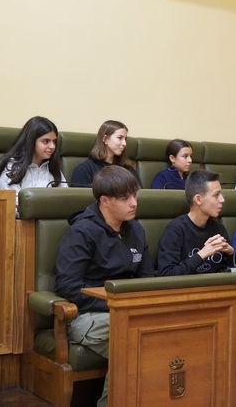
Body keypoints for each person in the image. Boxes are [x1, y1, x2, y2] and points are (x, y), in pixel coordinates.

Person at [54, 165, 154, 407]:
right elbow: (68, 286)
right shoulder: (82, 232)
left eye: (135, 195)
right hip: (86, 315)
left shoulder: (136, 230)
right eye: (125, 198)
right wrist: (114, 305)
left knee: (155, 334)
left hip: (128, 312)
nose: (133, 203)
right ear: (105, 201)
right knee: (133, 338)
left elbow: (148, 277)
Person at [157, 170, 234, 275]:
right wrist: (202, 254)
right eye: (216, 195)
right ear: (198, 199)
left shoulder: (218, 228)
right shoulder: (175, 230)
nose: (222, 200)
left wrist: (231, 253)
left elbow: (232, 271)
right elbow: (167, 273)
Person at [0, 116, 66, 207]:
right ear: (31, 141)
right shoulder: (12, 167)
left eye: (54, 142)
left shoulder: (53, 168)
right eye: (46, 141)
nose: (52, 146)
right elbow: (14, 205)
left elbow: (64, 200)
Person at [71, 120, 140, 187]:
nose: (124, 143)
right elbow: (82, 197)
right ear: (105, 139)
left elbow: (141, 194)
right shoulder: (84, 170)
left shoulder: (128, 169)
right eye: (120, 138)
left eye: (125, 139)